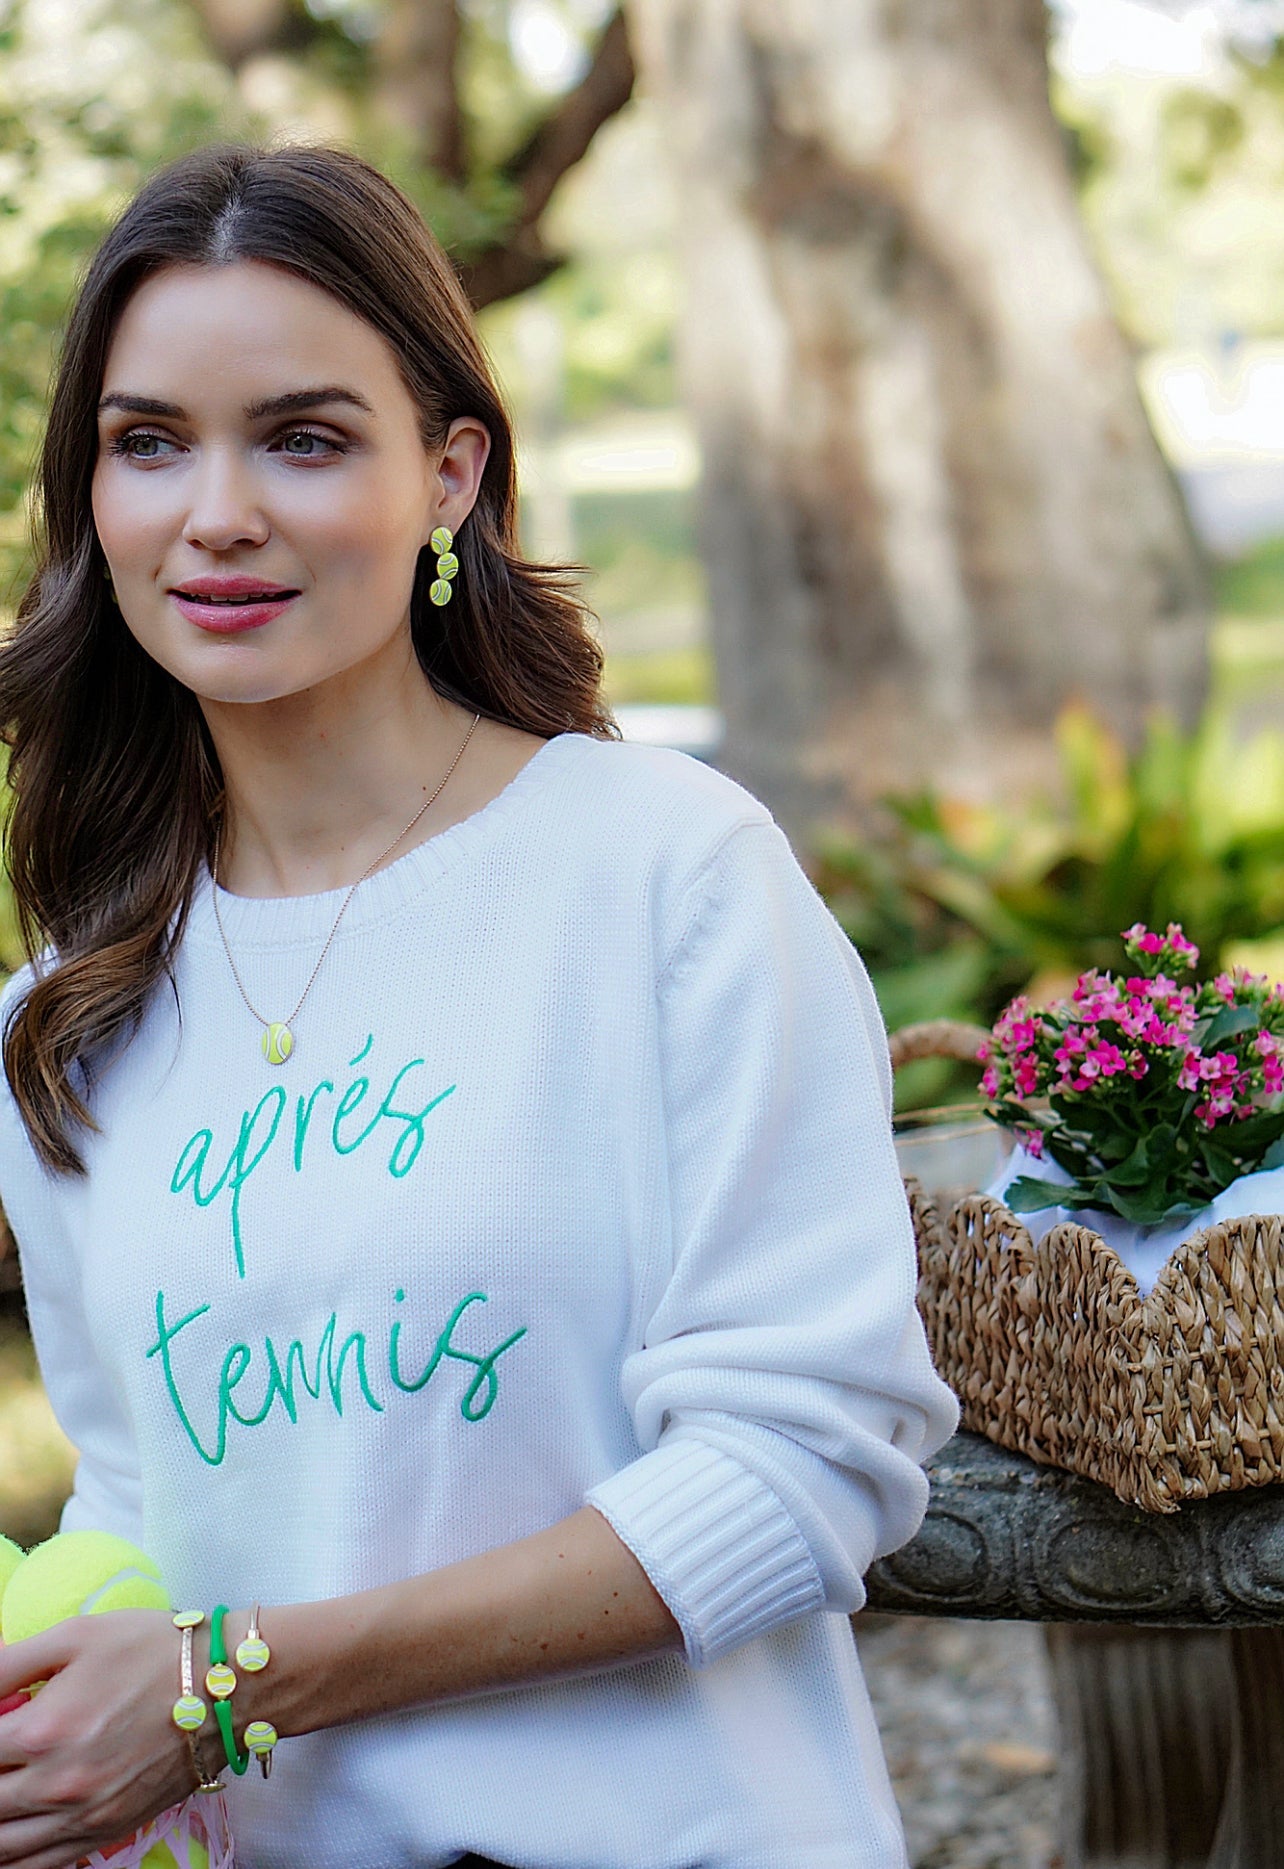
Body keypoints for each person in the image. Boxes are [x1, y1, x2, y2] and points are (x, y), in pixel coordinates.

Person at [0, 144, 958, 1869]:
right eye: (149, 443)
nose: (217, 511)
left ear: (450, 476)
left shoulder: (664, 872)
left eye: (302, 435)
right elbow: (149, 1503)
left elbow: (802, 1470)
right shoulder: (69, 1010)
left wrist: (233, 1683)